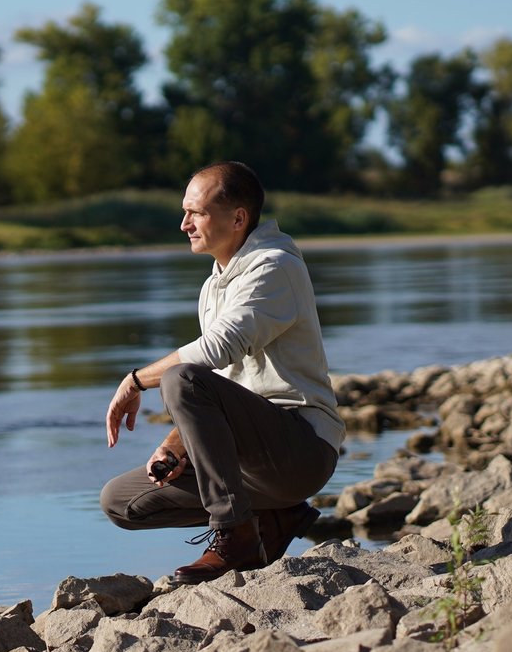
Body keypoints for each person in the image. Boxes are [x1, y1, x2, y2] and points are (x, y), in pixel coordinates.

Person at [101, 161, 343, 585]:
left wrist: (135, 381)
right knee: (121, 501)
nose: (184, 224)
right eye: (185, 212)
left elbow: (215, 351)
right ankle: (274, 517)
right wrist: (177, 443)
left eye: (196, 213)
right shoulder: (215, 285)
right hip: (248, 458)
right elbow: (225, 380)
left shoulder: (276, 267)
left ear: (237, 219)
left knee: (180, 378)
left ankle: (235, 533)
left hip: (300, 449)